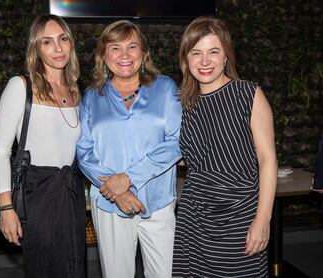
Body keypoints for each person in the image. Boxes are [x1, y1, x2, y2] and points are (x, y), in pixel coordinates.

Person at [172, 16, 278, 277]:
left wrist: (263, 219)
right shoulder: (183, 103)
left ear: (225, 56)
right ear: (186, 59)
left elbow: (267, 159)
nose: (205, 61)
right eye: (196, 53)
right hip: (195, 218)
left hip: (241, 216)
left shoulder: (248, 94)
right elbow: (186, 154)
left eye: (213, 52)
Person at [77, 20, 182, 278]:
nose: (124, 55)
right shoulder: (92, 97)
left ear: (143, 53)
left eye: (132, 46)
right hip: (109, 204)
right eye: (115, 48)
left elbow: (177, 142)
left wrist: (128, 178)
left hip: (157, 204)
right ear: (103, 55)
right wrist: (119, 193)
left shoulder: (166, 88)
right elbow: (84, 152)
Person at [0, 14, 85, 278]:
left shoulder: (75, 89)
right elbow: (0, 151)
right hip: (37, 194)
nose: (58, 48)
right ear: (36, 48)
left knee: (75, 265)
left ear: (71, 44)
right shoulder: (21, 86)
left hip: (71, 192)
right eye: (48, 42)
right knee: (45, 268)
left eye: (63, 39)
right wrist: (6, 208)